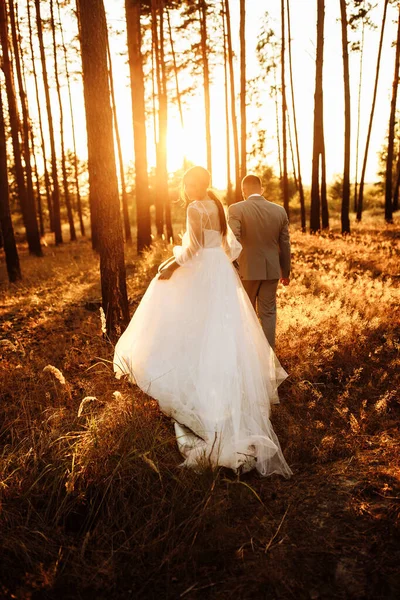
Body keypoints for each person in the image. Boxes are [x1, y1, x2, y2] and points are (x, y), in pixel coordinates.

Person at [113, 166, 292, 478]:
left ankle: (189, 372)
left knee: (186, 314)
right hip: (219, 269)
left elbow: (193, 248)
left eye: (187, 183)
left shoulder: (196, 207)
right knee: (219, 326)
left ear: (194, 184)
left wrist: (169, 266)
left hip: (201, 267)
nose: (186, 188)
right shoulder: (217, 206)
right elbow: (224, 246)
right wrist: (214, 264)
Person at [228, 175, 291, 351]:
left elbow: (233, 239)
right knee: (269, 313)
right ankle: (268, 358)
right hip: (272, 270)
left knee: (246, 313)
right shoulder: (279, 211)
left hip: (246, 270)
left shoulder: (236, 209)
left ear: (243, 191)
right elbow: (284, 245)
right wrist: (285, 272)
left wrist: (231, 265)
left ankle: (249, 356)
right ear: (261, 189)